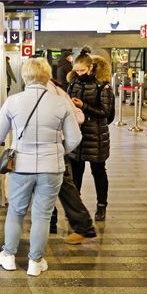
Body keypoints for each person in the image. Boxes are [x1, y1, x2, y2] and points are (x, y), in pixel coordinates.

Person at [0, 58, 82, 275]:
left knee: (16, 211)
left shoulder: (13, 101)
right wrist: (58, 151)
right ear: (48, 76)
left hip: (21, 166)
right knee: (42, 215)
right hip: (52, 168)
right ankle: (35, 262)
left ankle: (8, 255)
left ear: (25, 76)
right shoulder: (61, 103)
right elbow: (75, 138)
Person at [47, 78, 98, 245]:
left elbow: (76, 118)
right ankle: (53, 222)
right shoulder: (56, 87)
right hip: (56, 144)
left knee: (65, 186)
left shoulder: (49, 89)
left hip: (53, 144)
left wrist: (64, 148)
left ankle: (83, 226)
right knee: (61, 186)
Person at [66, 54, 115, 222]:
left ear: (91, 67)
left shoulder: (103, 86)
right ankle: (76, 207)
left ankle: (101, 206)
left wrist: (83, 106)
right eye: (77, 70)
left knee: (98, 172)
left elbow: (106, 113)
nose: (79, 73)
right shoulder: (73, 83)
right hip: (77, 134)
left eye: (82, 70)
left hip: (96, 136)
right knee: (75, 174)